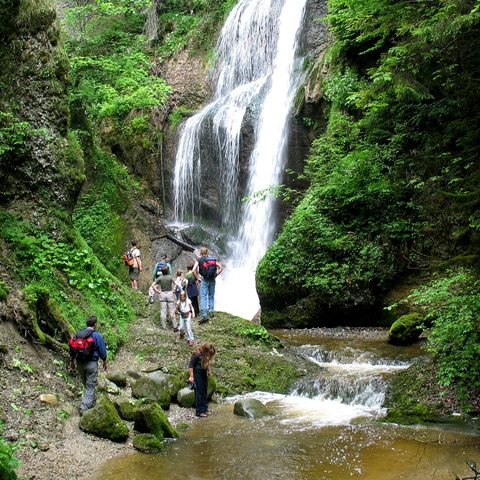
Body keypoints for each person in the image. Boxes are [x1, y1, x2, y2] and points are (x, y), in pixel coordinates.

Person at [69, 316, 107, 416]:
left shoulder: (79, 334)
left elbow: (73, 348)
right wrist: (104, 361)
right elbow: (102, 351)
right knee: (90, 386)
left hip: (79, 363)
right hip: (91, 364)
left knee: (87, 384)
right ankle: (84, 408)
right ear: (94, 325)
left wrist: (72, 362)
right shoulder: (96, 335)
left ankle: (92, 401)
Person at [194, 247, 224, 323]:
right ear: (207, 252)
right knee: (211, 296)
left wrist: (198, 278)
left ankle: (204, 315)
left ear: (200, 253)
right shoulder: (212, 260)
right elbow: (221, 267)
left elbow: (193, 270)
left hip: (204, 280)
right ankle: (211, 312)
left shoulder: (199, 260)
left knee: (203, 297)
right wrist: (216, 275)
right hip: (212, 280)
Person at [188, 342, 216, 417]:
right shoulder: (197, 355)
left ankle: (205, 409)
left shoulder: (205, 356)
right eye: (209, 353)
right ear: (205, 350)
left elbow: (205, 364)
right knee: (199, 392)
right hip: (197, 374)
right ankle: (199, 411)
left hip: (203, 374)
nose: (209, 355)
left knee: (204, 391)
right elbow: (191, 366)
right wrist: (191, 376)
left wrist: (208, 371)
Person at [151, 266, 177, 331]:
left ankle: (164, 326)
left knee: (163, 311)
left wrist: (157, 291)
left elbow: (152, 285)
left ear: (162, 272)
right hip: (170, 294)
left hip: (162, 294)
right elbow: (176, 283)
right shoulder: (170, 277)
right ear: (168, 271)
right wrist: (174, 289)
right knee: (171, 310)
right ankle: (175, 326)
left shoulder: (160, 278)